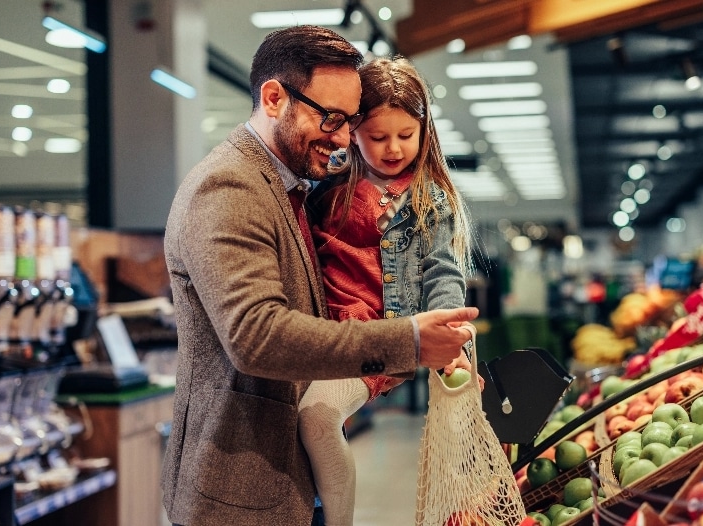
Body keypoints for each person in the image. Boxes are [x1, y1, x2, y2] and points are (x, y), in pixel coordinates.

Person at [161, 26, 478, 526]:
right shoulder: (229, 187)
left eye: (349, 121)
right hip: (240, 493)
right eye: (331, 118)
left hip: (282, 482)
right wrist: (409, 341)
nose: (342, 137)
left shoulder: (296, 185)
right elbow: (256, 337)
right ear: (273, 98)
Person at [298, 56, 476, 526]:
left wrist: (451, 337)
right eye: (377, 136)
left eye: (406, 135)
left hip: (380, 338)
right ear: (353, 131)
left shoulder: (428, 197)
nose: (393, 148)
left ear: (425, 130)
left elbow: (443, 273)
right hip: (322, 333)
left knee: (317, 418)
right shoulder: (328, 183)